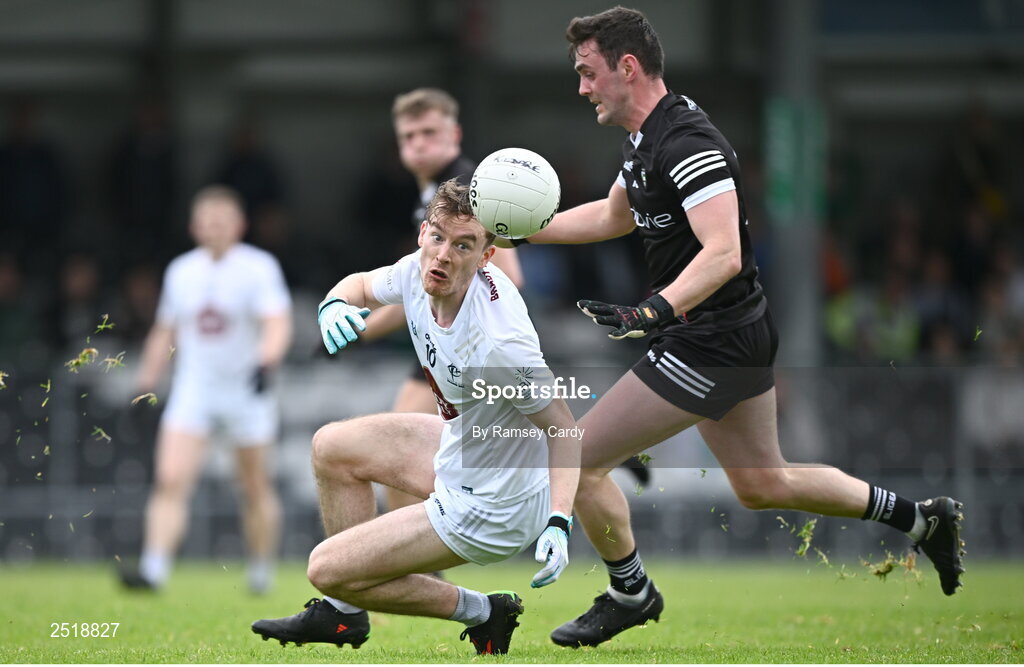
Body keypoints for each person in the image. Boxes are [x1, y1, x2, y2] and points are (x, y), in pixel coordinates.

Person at [509, 6, 966, 648]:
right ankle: (923, 521)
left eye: (588, 73)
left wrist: (652, 311)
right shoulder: (646, 139)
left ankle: (629, 592)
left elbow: (722, 252)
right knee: (763, 483)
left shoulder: (688, 141)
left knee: (577, 459)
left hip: (710, 340)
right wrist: (523, 228)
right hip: (726, 333)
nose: (581, 87)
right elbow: (615, 216)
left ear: (628, 67)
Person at [250, 180, 581, 655]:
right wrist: (333, 304)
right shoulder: (418, 269)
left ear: (487, 256)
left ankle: (485, 611)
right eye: (438, 237)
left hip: (493, 505)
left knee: (325, 570)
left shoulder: (500, 345)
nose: (444, 255)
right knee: (331, 447)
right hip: (464, 447)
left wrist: (559, 521)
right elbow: (361, 284)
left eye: (463, 245)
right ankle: (345, 615)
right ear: (423, 233)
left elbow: (564, 429)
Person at [119, 185, 292, 594]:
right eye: (206, 223)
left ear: (239, 226)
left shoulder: (259, 267)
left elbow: (277, 322)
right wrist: (146, 384)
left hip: (246, 390)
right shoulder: (181, 271)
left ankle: (260, 572)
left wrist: (267, 362)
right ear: (194, 226)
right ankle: (153, 569)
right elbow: (165, 331)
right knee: (170, 479)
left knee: (253, 486)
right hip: (194, 390)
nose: (213, 230)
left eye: (222, 222)